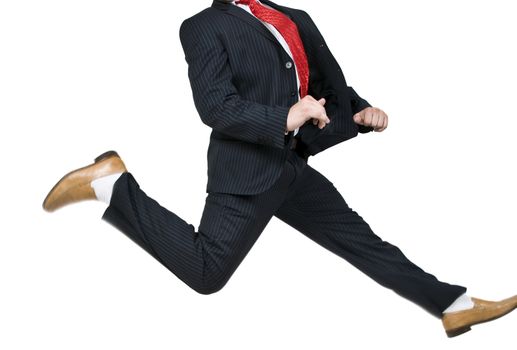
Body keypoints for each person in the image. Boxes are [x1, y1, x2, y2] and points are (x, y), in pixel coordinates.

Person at [42, 0, 516, 337]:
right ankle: (111, 185)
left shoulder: (293, 18)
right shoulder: (204, 25)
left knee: (362, 241)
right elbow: (215, 106)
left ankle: (452, 305)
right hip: (246, 170)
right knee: (207, 272)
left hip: (291, 167)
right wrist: (283, 118)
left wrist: (359, 113)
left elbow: (326, 84)